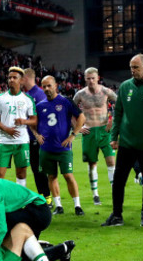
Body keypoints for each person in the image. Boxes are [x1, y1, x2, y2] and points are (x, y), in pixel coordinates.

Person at [102, 54, 143, 227]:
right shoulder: (124, 87)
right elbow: (118, 114)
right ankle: (117, 215)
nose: (132, 70)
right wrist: (113, 137)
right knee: (119, 179)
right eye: (131, 67)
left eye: (136, 67)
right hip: (126, 143)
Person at [34, 75, 85, 216]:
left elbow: (81, 117)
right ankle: (58, 206)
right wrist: (36, 135)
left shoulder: (66, 101)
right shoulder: (39, 106)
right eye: (44, 86)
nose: (46, 89)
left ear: (56, 86)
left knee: (68, 175)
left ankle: (77, 205)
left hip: (63, 148)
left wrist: (73, 135)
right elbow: (33, 123)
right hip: (46, 149)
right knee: (51, 176)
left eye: (49, 85)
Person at [73, 67, 117, 206]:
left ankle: (115, 192)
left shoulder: (106, 91)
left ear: (98, 78)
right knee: (92, 163)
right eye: (88, 78)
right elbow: (70, 111)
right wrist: (77, 128)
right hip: (89, 131)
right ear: (85, 79)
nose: (91, 81)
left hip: (105, 130)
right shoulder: (80, 94)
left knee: (111, 161)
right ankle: (95, 194)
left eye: (93, 78)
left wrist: (113, 120)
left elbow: (120, 104)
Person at [0, 67, 37, 185]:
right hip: (4, 141)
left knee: (21, 174)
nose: (11, 80)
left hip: (21, 141)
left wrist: (24, 121)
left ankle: (20, 201)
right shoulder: (0, 98)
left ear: (21, 81)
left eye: (14, 78)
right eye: (9, 78)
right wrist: (6, 129)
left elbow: (34, 120)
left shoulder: (28, 99)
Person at [21, 68, 51, 204]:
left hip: (41, 139)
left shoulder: (38, 94)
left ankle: (48, 197)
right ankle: (44, 197)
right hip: (31, 139)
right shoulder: (27, 95)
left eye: (21, 78)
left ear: (25, 78)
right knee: (35, 169)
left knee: (41, 169)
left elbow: (43, 117)